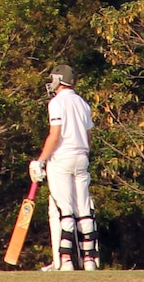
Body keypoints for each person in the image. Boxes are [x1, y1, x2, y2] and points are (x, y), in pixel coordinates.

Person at [29, 64, 99, 271]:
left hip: (62, 158)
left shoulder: (56, 103)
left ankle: (65, 260)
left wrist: (40, 161)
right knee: (84, 209)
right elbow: (88, 136)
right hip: (82, 158)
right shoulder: (83, 103)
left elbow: (55, 134)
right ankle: (89, 260)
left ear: (59, 80)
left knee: (64, 209)